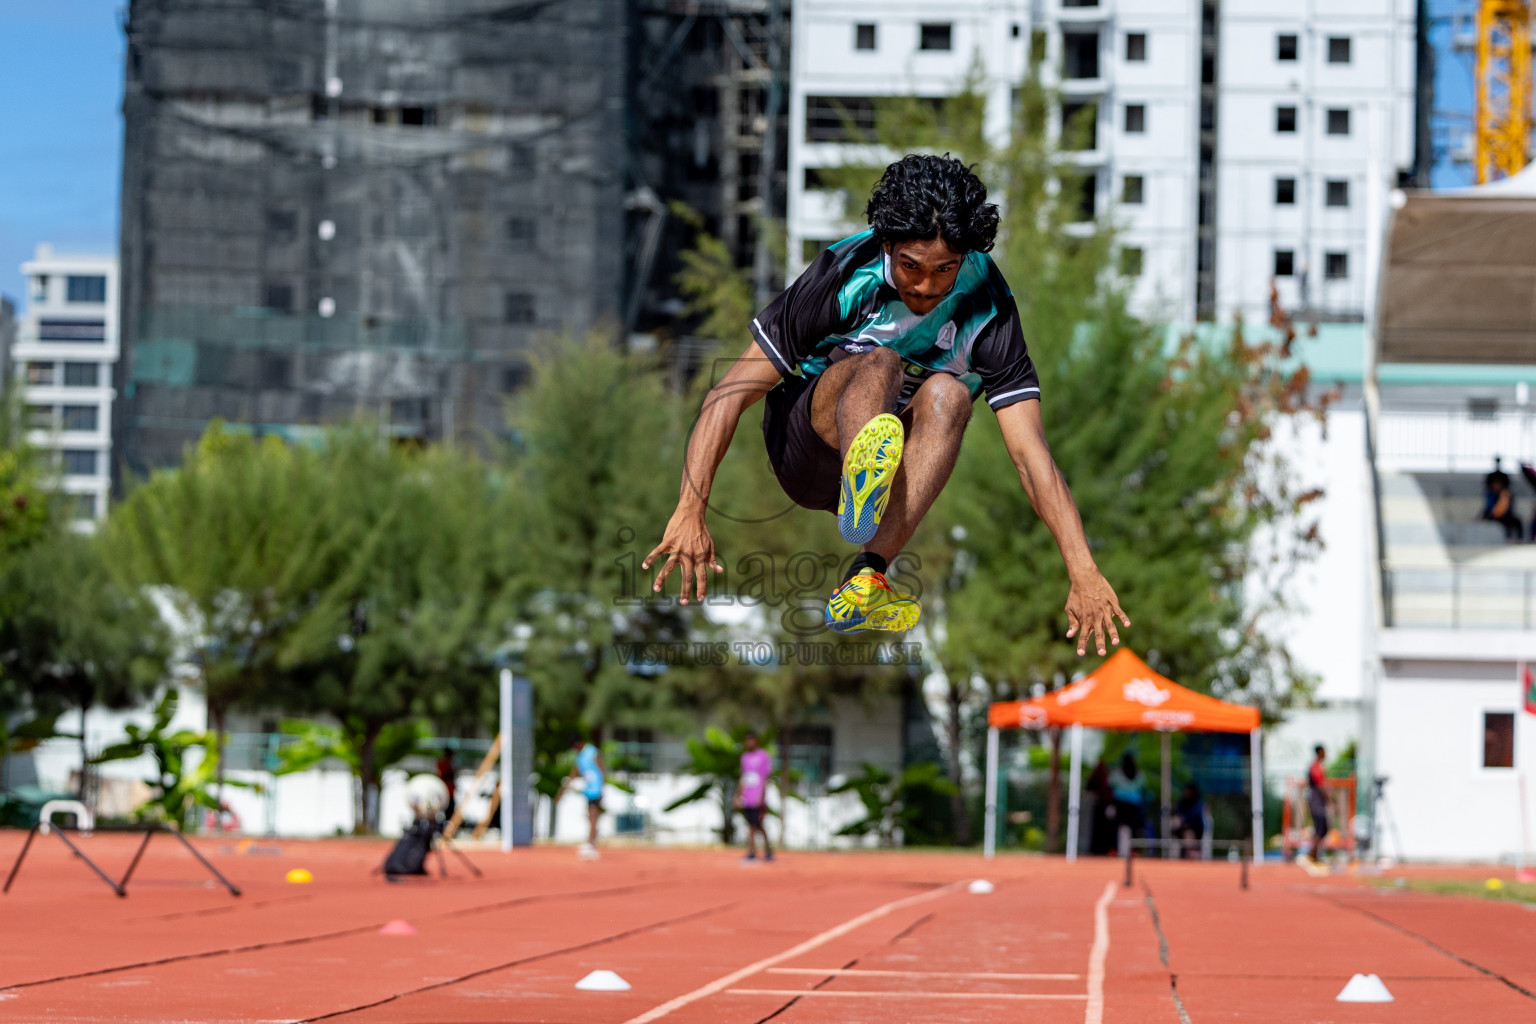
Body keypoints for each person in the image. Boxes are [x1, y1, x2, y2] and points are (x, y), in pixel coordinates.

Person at [644, 154, 1128, 651]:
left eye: (946, 270)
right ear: (887, 244)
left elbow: (1031, 454)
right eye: (911, 267)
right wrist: (690, 508)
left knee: (949, 395)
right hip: (804, 442)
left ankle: (865, 577)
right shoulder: (843, 274)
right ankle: (862, 474)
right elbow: (728, 394)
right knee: (882, 362)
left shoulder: (988, 304)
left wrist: (1083, 569)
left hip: (891, 458)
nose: (926, 287)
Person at [558, 734, 605, 860]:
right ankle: (590, 842)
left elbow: (601, 769)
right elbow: (573, 773)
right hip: (589, 790)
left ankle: (592, 844)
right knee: (590, 817)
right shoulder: (580, 756)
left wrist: (602, 788)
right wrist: (562, 791)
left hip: (596, 789)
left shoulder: (591, 751)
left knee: (593, 816)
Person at [736, 732, 774, 863]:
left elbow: (766, 778)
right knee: (755, 825)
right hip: (748, 797)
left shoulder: (763, 756)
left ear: (756, 741)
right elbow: (743, 779)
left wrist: (762, 796)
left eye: (751, 741)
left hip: (757, 798)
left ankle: (752, 852)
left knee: (754, 825)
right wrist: (738, 795)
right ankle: (766, 850)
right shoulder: (744, 757)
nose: (749, 743)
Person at [1108, 752, 1146, 845]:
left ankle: (1114, 848)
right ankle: (1133, 849)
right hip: (1134, 803)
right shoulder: (1139, 773)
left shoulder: (1117, 772)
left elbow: (1110, 784)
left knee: (1116, 825)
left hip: (1120, 802)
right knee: (1134, 826)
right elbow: (1143, 786)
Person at [1171, 781, 1205, 859]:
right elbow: (1177, 812)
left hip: (1195, 829)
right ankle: (1184, 853)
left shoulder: (1198, 803)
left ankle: (1190, 853)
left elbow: (1195, 816)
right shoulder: (1182, 802)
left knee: (1188, 834)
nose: (1187, 793)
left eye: (1189, 791)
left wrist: (1186, 821)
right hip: (1182, 829)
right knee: (1177, 825)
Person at [1307, 744, 1330, 861]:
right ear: (1319, 752)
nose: (1325, 754)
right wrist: (1329, 798)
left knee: (1324, 829)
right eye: (1324, 751)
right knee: (1320, 828)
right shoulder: (1315, 766)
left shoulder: (1320, 766)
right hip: (1316, 801)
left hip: (1319, 801)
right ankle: (1313, 855)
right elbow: (1320, 784)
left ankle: (1313, 853)